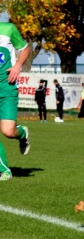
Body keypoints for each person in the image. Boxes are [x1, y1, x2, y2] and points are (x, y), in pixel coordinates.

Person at [0, 22, 31, 181]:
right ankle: (4, 171)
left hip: (7, 87)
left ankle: (22, 133)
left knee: (8, 131)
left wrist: (18, 66)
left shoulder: (8, 29)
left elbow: (25, 49)